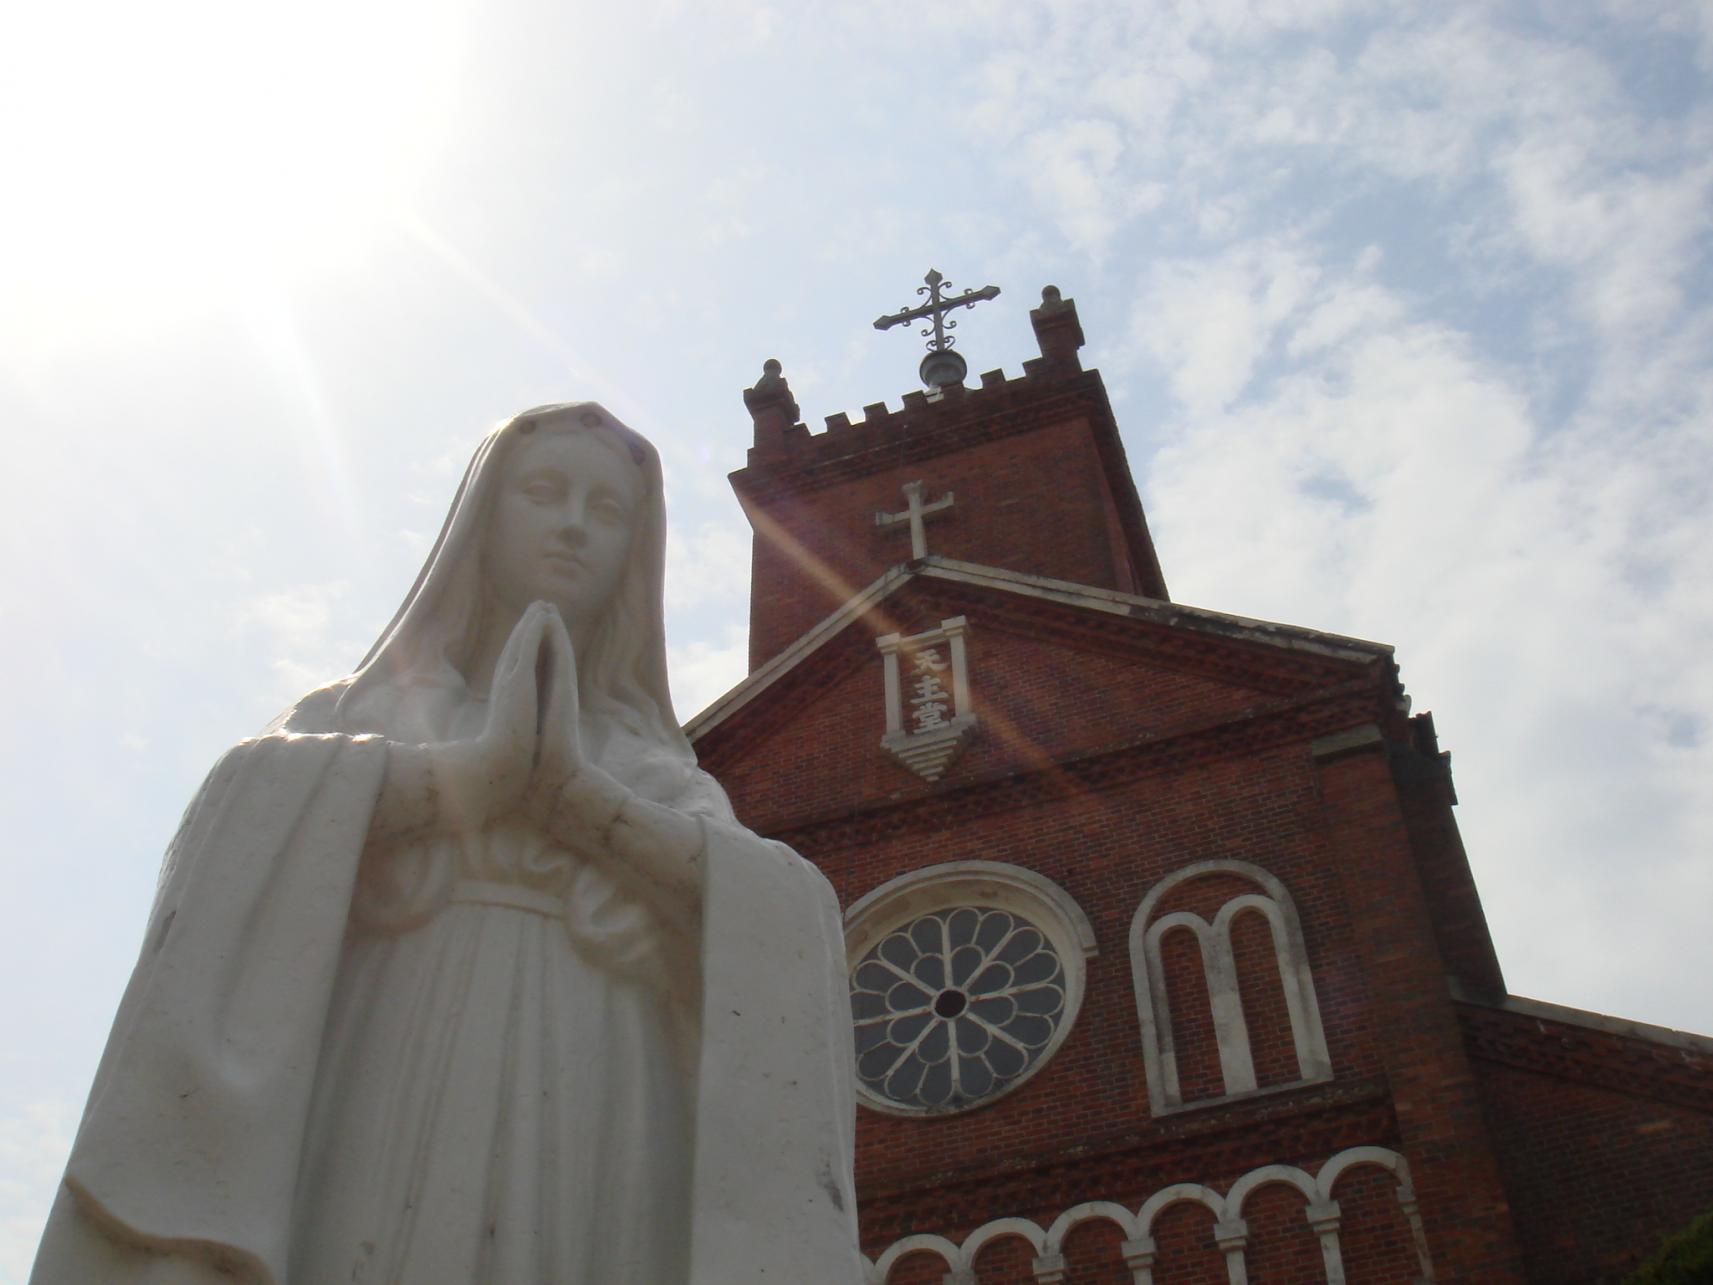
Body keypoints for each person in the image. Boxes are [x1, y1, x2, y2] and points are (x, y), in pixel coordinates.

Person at [32, 403, 863, 1284]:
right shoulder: (359, 715)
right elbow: (242, 814)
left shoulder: (645, 760)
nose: (575, 524)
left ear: (635, 550)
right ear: (483, 515)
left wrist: (588, 809)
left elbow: (780, 913)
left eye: (607, 510)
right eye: (545, 492)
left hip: (598, 1079)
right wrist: (464, 780)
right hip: (388, 1042)